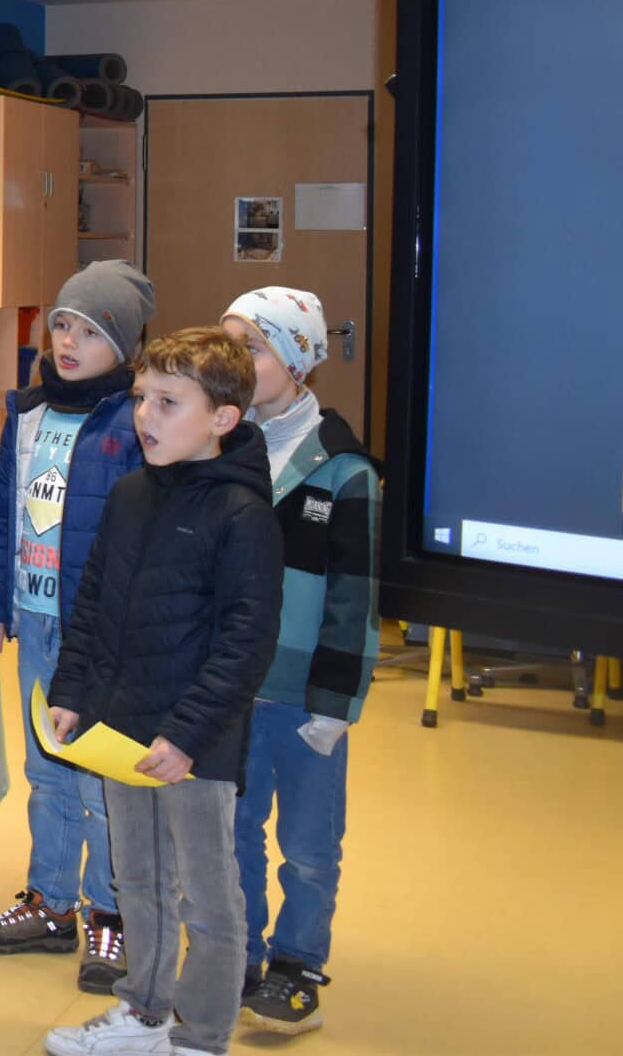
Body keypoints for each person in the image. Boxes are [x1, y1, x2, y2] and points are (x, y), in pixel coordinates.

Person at [42, 328, 282, 1056]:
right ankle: (143, 1010)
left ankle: (203, 1034)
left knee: (207, 898)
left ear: (223, 418)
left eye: (169, 402)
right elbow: (90, 602)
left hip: (194, 746)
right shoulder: (130, 494)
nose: (146, 415)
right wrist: (73, 689)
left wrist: (186, 735)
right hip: (120, 726)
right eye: (143, 397)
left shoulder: (243, 515)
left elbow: (245, 644)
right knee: (136, 880)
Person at [0, 261, 156, 991]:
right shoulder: (27, 411)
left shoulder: (134, 420)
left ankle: (113, 914)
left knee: (101, 780)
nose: (70, 340)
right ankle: (51, 900)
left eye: (91, 331)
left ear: (125, 346)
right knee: (46, 772)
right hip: (35, 621)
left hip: (99, 636)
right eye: (63, 325)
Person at [220, 289, 379, 1037]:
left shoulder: (344, 469)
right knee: (234, 826)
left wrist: (336, 703)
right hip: (232, 683)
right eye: (229, 346)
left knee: (310, 843)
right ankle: (241, 952)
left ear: (298, 357)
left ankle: (298, 961)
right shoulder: (220, 445)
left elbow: (356, 596)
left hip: (305, 692)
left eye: (251, 346)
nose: (236, 363)